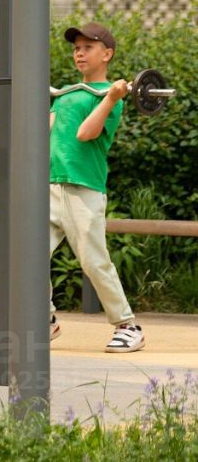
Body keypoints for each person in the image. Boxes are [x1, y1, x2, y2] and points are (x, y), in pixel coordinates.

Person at [48, 22, 143, 353]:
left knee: (93, 262)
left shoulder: (111, 97)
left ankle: (128, 326)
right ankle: (45, 319)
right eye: (77, 48)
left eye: (88, 47)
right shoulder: (65, 94)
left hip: (84, 188)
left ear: (107, 54)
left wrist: (113, 97)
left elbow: (86, 133)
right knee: (28, 255)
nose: (79, 53)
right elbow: (46, 132)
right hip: (50, 186)